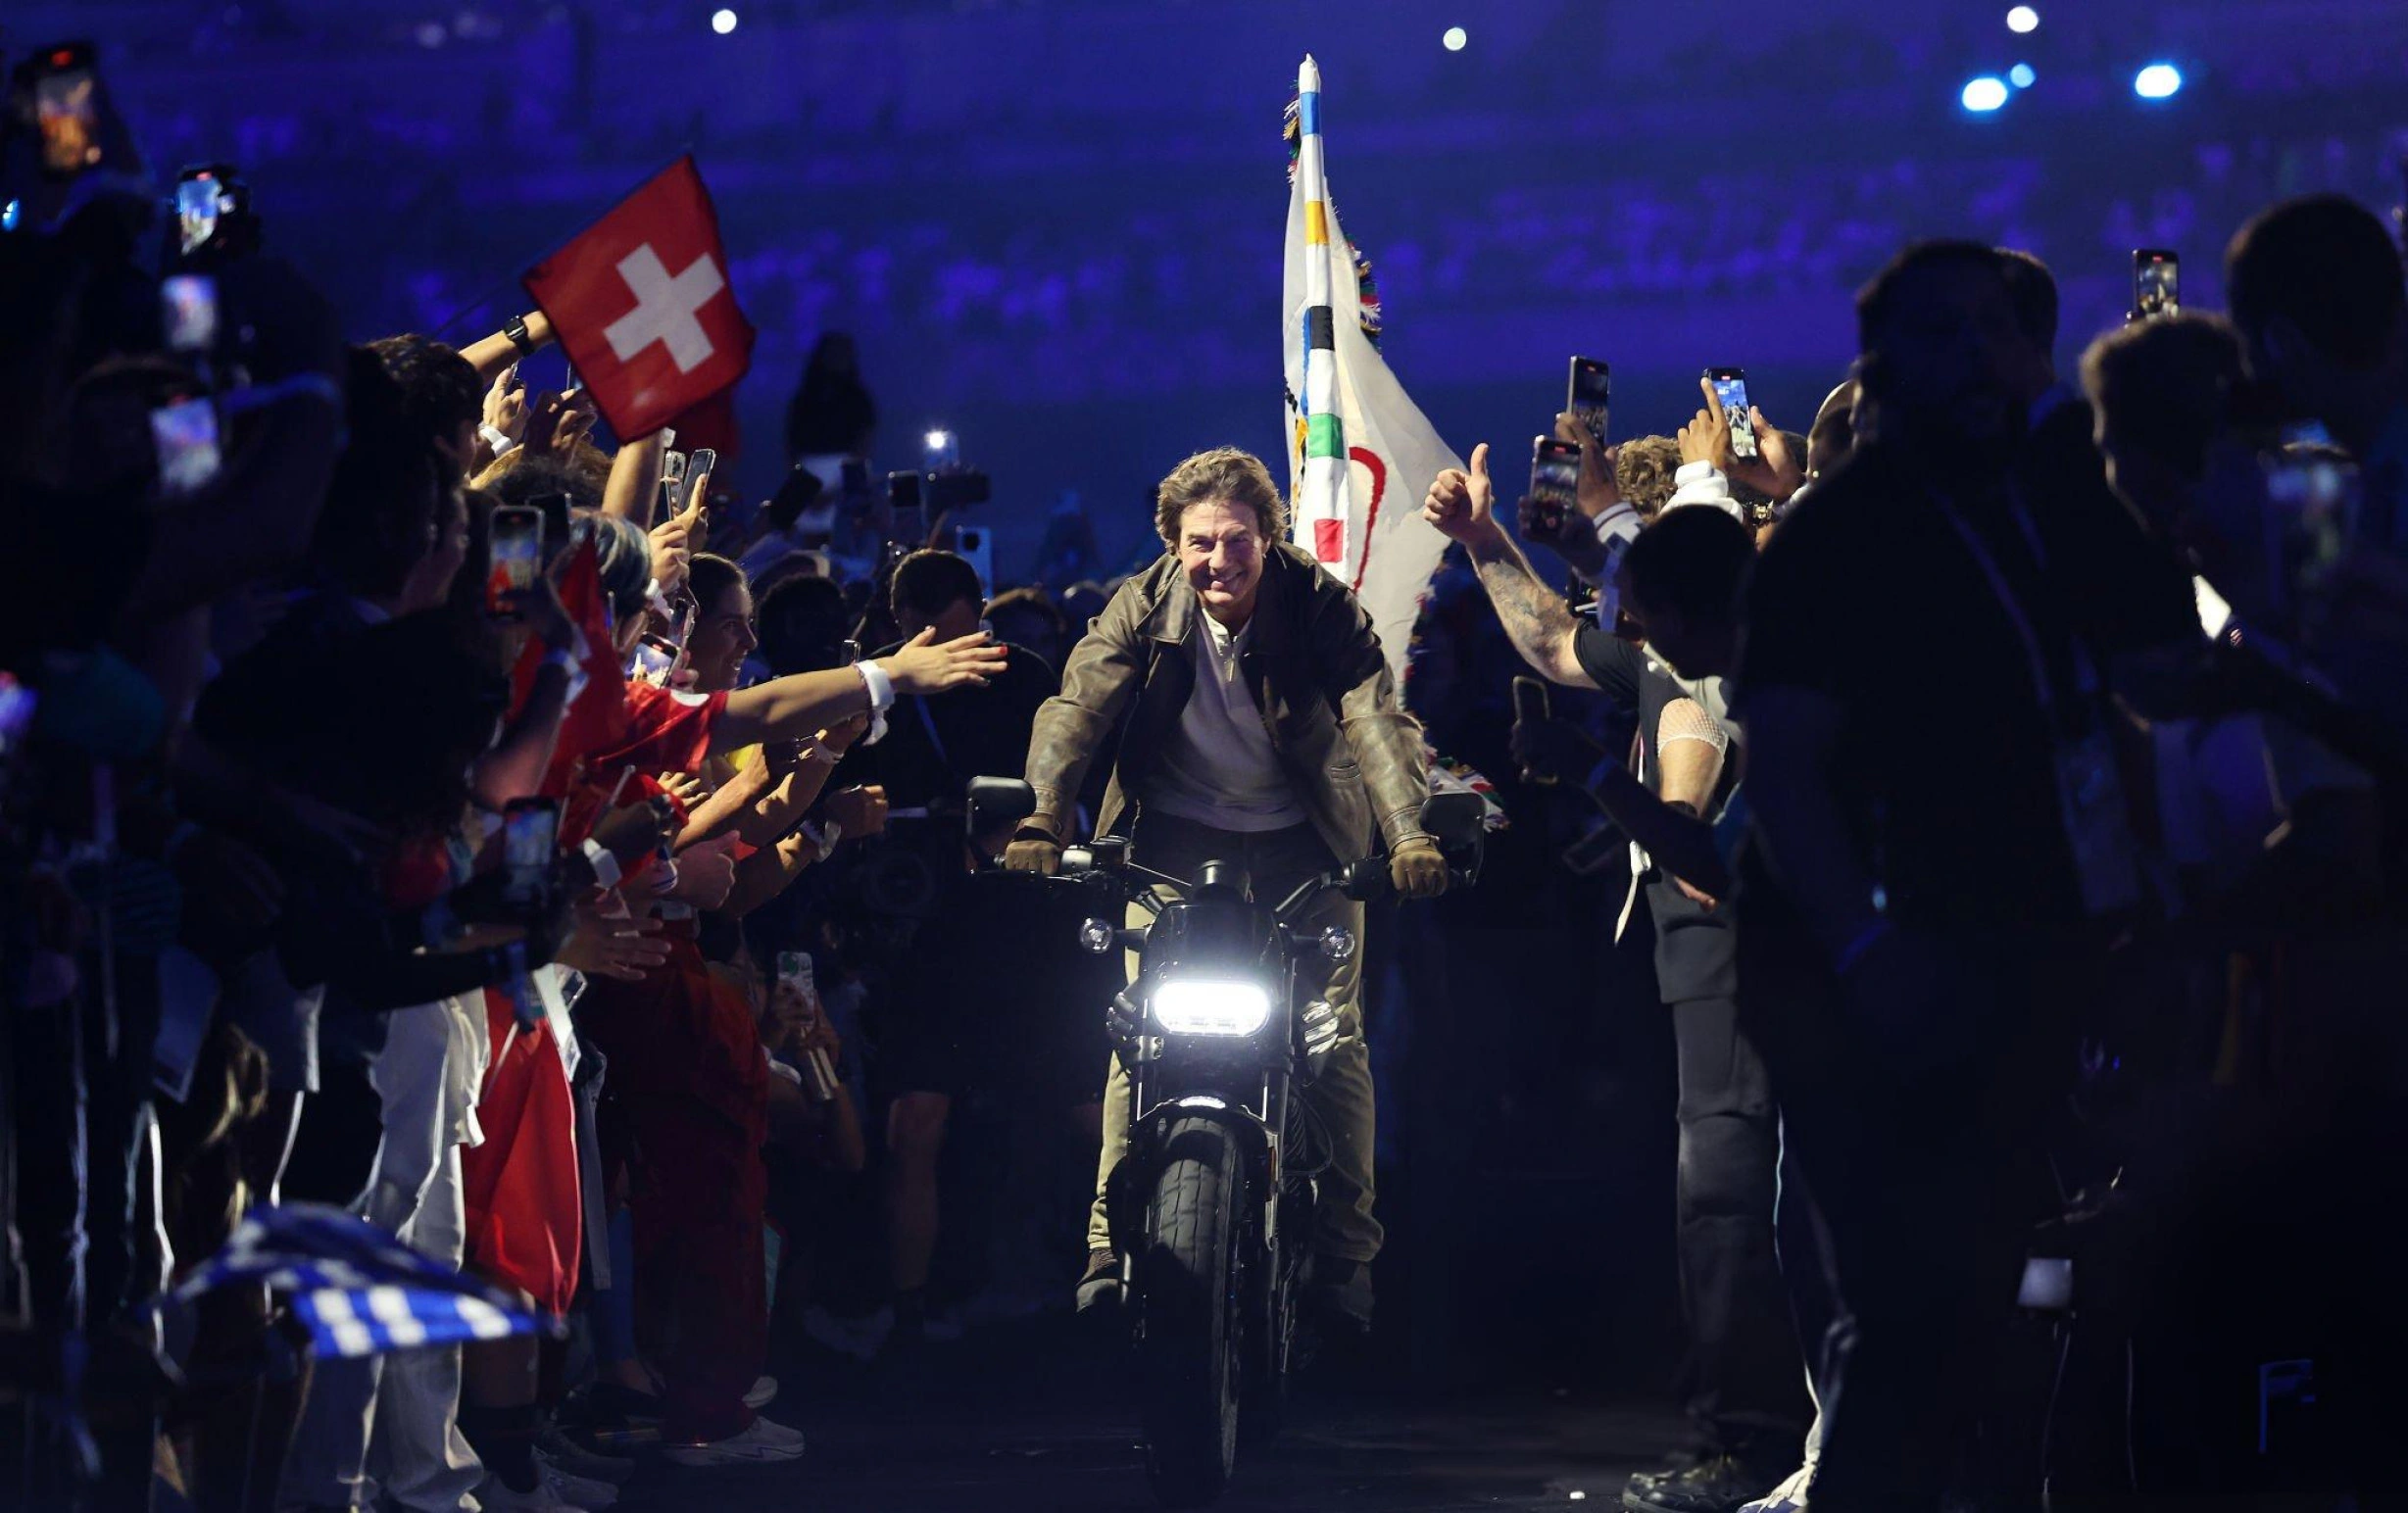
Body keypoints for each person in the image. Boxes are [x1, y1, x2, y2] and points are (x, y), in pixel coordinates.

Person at [1735, 241, 2146, 1511]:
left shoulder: (2054, 503)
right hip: (1873, 981)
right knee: (1917, 1325)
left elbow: (2145, 683)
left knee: (2041, 1307)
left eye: (1993, 330)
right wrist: (1869, 956)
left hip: (2035, 957)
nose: (1971, 357)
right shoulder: (1837, 536)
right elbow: (1786, 773)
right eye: (1937, 334)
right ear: (1881, 366)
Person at [1422, 444, 1805, 1513]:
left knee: (1730, 1204)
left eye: (1635, 604)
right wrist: (1483, 540)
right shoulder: (1674, 657)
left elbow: (1699, 850)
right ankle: (1755, 1425)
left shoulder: (1714, 685)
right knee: (1724, 1203)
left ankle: (1754, 1440)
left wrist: (1587, 770)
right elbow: (1548, 636)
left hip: (1741, 963)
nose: (1619, 622)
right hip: (1708, 967)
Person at [1004, 447, 1448, 1329]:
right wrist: (1043, 818)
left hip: (1304, 842)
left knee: (1333, 1035)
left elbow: (1371, 715)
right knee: (1140, 1031)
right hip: (1171, 841)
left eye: (1236, 540)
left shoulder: (1318, 604)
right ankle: (1103, 1241)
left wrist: (1407, 835)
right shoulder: (1139, 604)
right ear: (1171, 544)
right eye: (1200, 542)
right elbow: (1077, 708)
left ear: (1266, 537)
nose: (1219, 560)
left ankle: (1345, 1256)